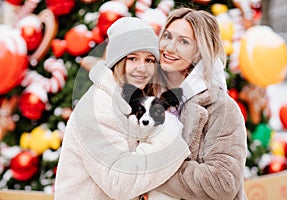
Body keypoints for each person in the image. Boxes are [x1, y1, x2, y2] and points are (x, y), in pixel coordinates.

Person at [54, 17, 190, 200]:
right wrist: (170, 133)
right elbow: (120, 182)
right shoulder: (98, 107)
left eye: (149, 60)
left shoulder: (130, 101)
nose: (142, 68)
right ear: (116, 62)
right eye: (132, 58)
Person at [144, 8, 247, 200]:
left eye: (183, 41)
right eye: (167, 36)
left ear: (200, 51)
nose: (170, 47)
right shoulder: (144, 95)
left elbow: (222, 183)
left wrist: (151, 168)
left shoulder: (220, 107)